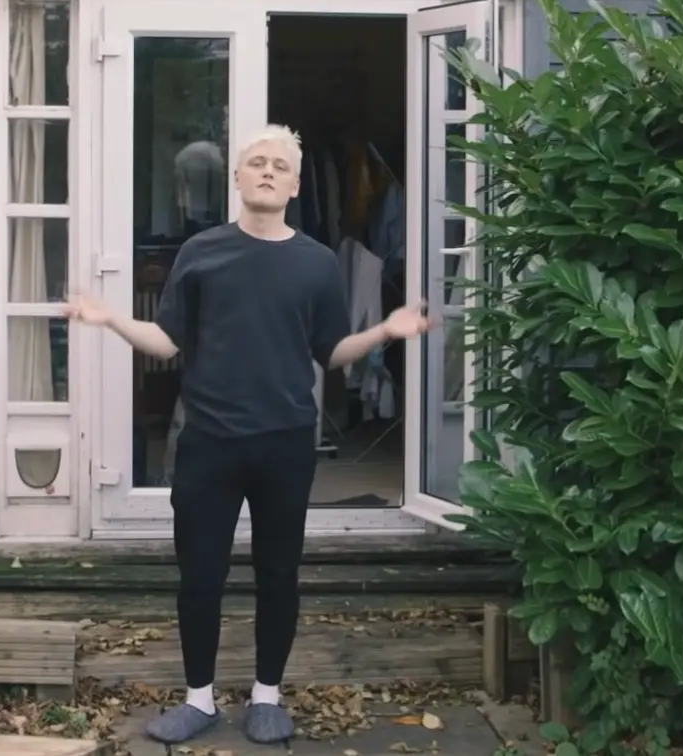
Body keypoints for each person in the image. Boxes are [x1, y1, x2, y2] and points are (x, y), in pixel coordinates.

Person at [63, 125, 432, 746]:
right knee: (200, 576)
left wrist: (386, 332)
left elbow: (332, 352)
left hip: (285, 441)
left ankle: (267, 696)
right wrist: (111, 319)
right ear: (237, 179)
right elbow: (168, 341)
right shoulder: (201, 252)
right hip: (208, 440)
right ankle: (199, 699)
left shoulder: (316, 262)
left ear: (293, 184)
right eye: (255, 163)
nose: (266, 171)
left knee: (277, 573)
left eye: (279, 165)